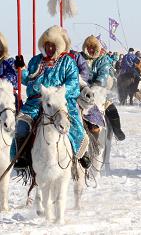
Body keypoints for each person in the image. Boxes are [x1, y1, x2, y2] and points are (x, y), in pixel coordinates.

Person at [13, 26, 90, 170]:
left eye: (52, 45)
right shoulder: (36, 60)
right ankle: (22, 155)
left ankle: (80, 154)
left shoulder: (67, 61)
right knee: (21, 125)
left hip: (60, 99)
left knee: (74, 125)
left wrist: (58, 93)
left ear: (58, 46)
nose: (49, 48)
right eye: (47, 44)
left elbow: (73, 82)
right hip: (36, 100)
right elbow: (27, 80)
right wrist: (21, 69)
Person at [75, 35, 126, 141]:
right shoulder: (79, 57)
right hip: (80, 88)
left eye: (93, 47)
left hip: (96, 89)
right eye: (89, 47)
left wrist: (96, 84)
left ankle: (117, 129)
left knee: (109, 106)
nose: (91, 49)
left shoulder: (102, 60)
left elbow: (103, 74)